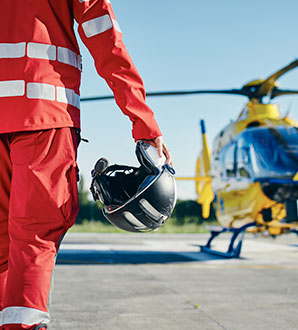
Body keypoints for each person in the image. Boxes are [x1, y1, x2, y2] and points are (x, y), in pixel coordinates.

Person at [0, 1, 171, 329]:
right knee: (35, 231)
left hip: (30, 115)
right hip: (43, 111)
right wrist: (144, 122)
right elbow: (106, 39)